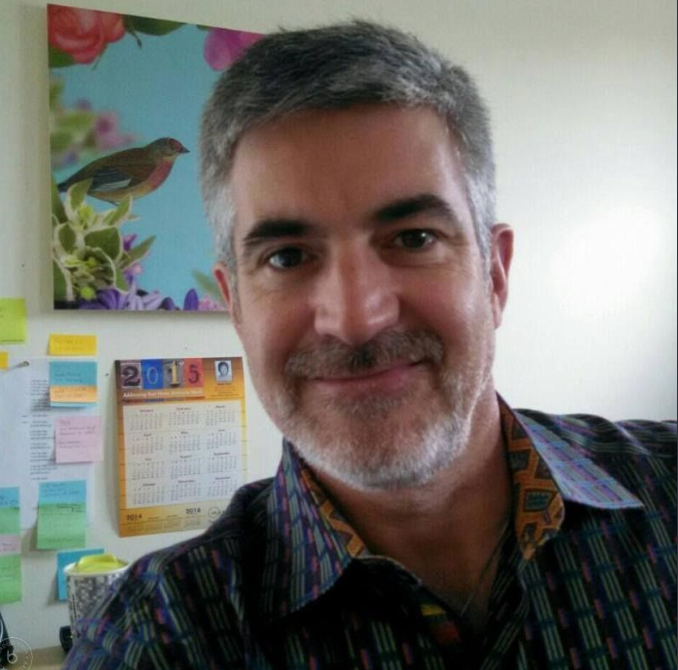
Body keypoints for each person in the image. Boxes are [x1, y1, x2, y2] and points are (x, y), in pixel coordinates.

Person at [64, 21, 676, 670]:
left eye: (413, 238)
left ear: (495, 275)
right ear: (236, 306)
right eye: (287, 256)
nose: (355, 320)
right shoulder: (152, 642)